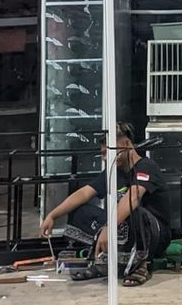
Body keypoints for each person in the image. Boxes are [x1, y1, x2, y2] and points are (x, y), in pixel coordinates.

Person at [39, 122, 171, 286]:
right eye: (102, 153)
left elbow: (133, 197)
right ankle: (102, 261)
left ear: (126, 144)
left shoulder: (146, 167)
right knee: (80, 211)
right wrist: (52, 215)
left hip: (154, 234)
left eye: (108, 152)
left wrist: (109, 227)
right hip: (124, 230)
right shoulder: (113, 172)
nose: (104, 157)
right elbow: (84, 193)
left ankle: (141, 266)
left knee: (134, 211)